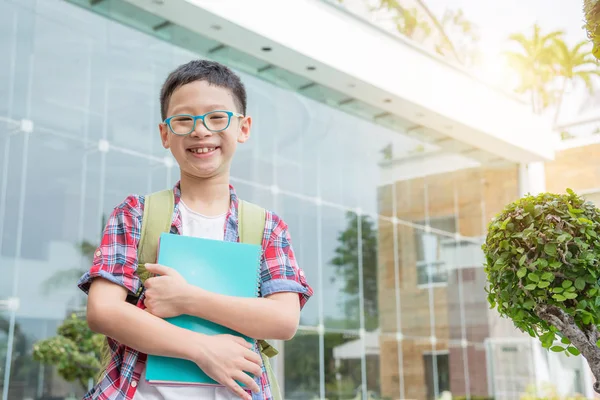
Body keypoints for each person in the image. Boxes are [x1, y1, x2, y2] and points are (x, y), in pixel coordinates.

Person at [78, 59, 313, 400]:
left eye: (217, 117)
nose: (200, 131)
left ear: (243, 128)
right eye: (184, 120)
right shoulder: (135, 215)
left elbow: (283, 320)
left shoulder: (267, 227)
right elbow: (103, 311)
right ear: (165, 134)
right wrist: (203, 350)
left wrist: (187, 299)